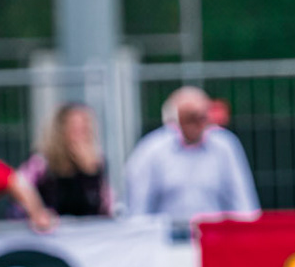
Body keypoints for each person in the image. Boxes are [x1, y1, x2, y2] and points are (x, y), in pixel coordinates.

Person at [122, 86, 259, 219]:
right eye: (190, 117)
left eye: (202, 117)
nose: (198, 123)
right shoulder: (152, 149)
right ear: (174, 118)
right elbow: (138, 205)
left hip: (213, 231)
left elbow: (241, 200)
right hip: (167, 233)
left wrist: (247, 229)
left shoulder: (224, 146)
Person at [21, 102, 112, 218]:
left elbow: (104, 207)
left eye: (84, 129)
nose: (80, 135)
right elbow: (21, 191)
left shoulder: (97, 163)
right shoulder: (41, 163)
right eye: (75, 129)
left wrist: (91, 173)